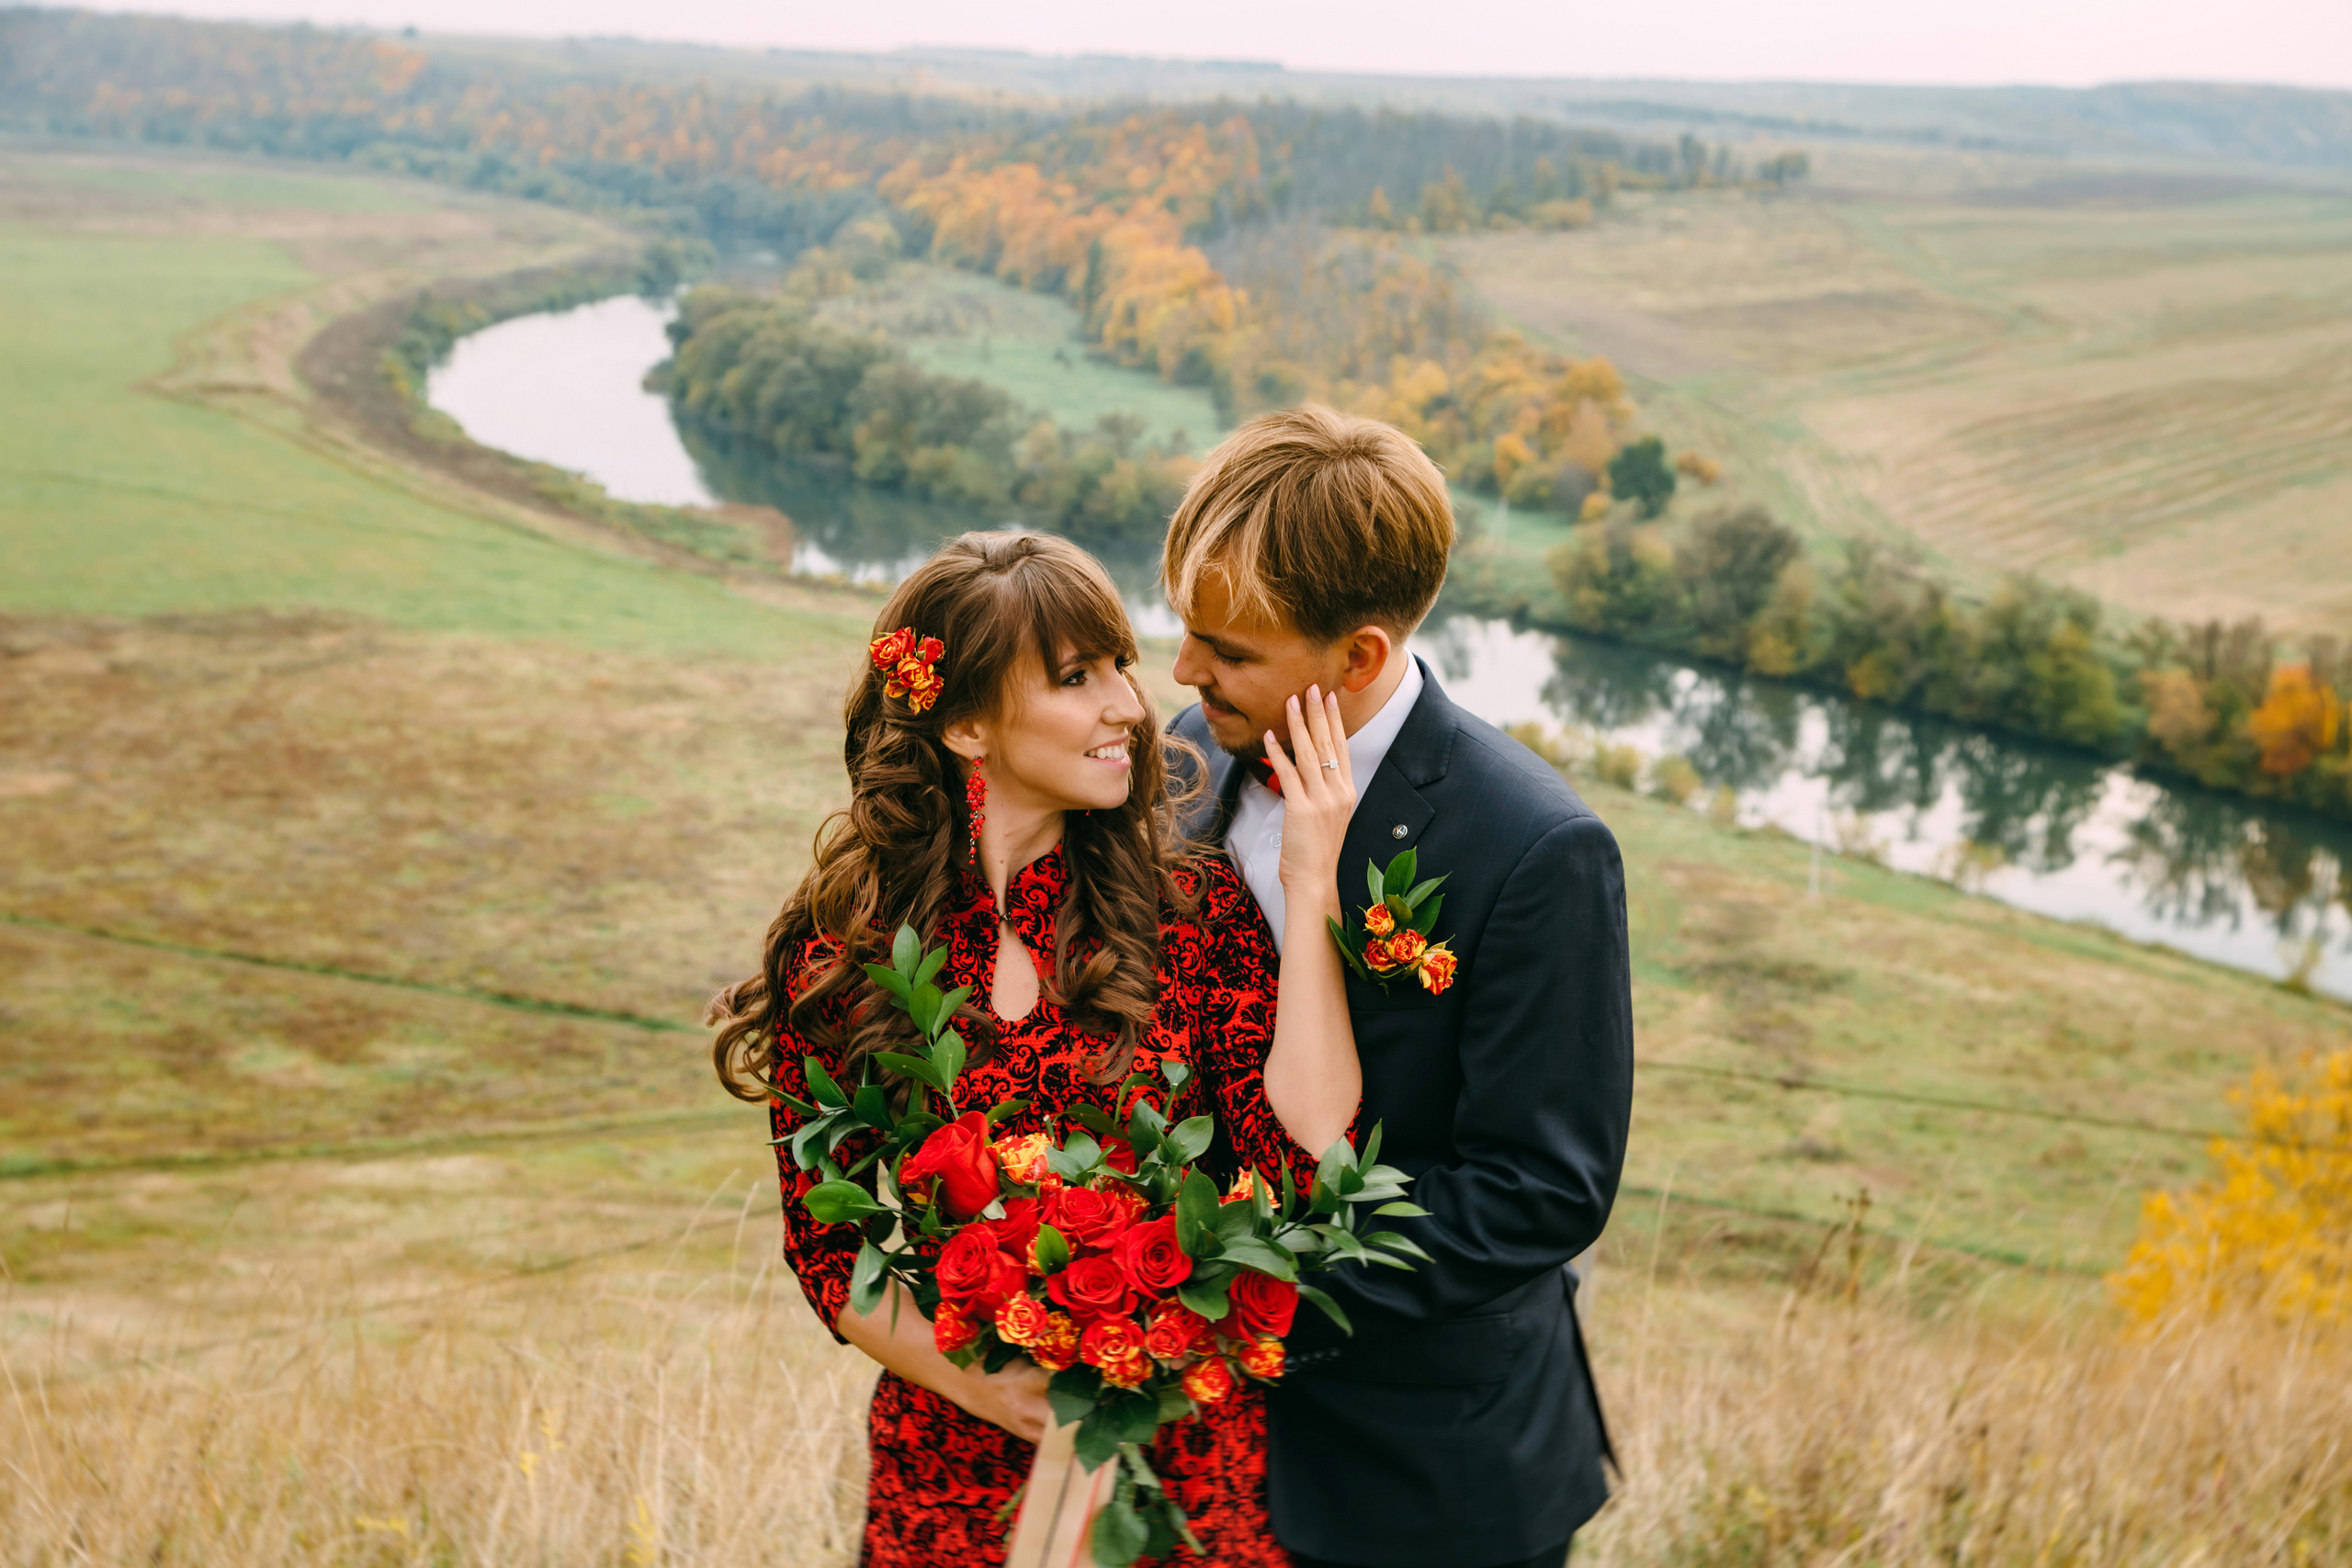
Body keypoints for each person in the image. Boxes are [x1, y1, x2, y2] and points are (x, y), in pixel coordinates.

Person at [708, 530, 1371, 1566]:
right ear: (967, 724)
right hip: (954, 1471)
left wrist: (1311, 881)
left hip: (1177, 1468)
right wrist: (993, 1387)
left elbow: (1310, 1140)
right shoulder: (846, 958)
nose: (1129, 704)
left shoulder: (1190, 914)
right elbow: (830, 1256)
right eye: (1076, 677)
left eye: (1118, 665)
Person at [1164, 405, 1635, 1568]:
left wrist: (1253, 1272)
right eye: (1187, 632)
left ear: (1359, 656)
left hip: (1427, 1475)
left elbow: (1538, 1189)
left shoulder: (1535, 849)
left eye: (1229, 651)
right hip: (1186, 1447)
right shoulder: (1182, 757)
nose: (1184, 672)